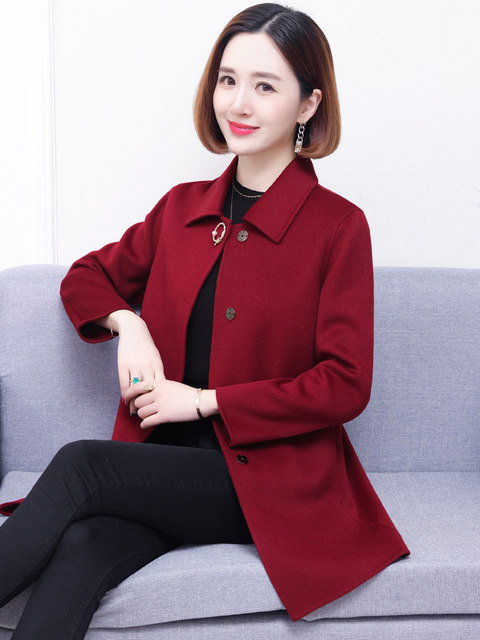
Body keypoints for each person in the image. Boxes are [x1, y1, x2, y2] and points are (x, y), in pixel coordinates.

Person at [0, 3, 409, 638]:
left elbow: (345, 384)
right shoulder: (182, 209)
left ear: (308, 104)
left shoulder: (338, 227)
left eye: (265, 86)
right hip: (166, 469)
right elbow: (86, 275)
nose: (238, 103)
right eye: (228, 79)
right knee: (82, 545)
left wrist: (202, 401)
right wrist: (129, 325)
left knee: (84, 466)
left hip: (265, 481)